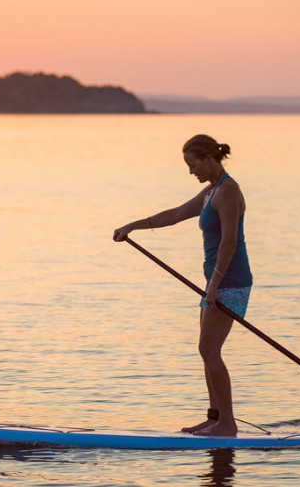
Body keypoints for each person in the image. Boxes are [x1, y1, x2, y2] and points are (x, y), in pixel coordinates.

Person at [113, 134, 253, 436]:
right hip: (215, 282)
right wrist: (132, 226)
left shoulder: (229, 191)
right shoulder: (210, 192)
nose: (191, 172)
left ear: (208, 159)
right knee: (206, 350)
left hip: (230, 281)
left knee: (209, 348)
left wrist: (215, 284)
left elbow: (230, 241)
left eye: (193, 165)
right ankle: (215, 418)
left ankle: (227, 423)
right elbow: (175, 215)